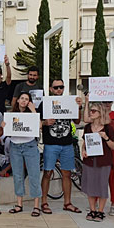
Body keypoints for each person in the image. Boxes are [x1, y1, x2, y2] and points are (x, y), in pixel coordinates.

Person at [83, 90, 114, 216]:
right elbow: (86, 119)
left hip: (112, 146)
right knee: (97, 175)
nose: (107, 103)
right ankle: (96, 203)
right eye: (105, 101)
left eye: (110, 101)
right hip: (97, 148)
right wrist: (87, 101)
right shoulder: (94, 119)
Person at [39, 79, 83, 214]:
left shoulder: (70, 102)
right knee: (47, 173)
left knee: (67, 173)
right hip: (51, 144)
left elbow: (77, 120)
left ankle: (67, 203)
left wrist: (79, 107)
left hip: (67, 144)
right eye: (56, 87)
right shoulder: (45, 103)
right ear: (51, 89)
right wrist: (45, 122)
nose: (59, 90)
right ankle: (44, 202)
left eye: (61, 87)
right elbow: (37, 121)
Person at [3, 92, 41, 216]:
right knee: (18, 175)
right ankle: (19, 204)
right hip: (15, 146)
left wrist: (33, 110)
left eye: (27, 99)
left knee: (34, 175)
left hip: (30, 145)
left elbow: (39, 126)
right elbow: (5, 130)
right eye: (22, 98)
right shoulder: (11, 115)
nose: (24, 101)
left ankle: (36, 206)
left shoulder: (32, 114)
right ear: (18, 100)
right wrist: (4, 126)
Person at [81, 103, 114, 222]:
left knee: (102, 186)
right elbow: (84, 142)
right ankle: (92, 210)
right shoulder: (87, 127)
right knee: (90, 185)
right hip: (90, 160)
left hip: (103, 161)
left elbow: (113, 146)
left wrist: (106, 137)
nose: (91, 113)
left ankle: (100, 211)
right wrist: (83, 150)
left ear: (100, 113)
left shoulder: (108, 128)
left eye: (94, 111)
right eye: (91, 110)